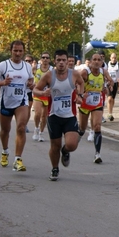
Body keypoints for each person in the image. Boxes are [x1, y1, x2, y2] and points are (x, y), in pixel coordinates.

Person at [33, 50, 84, 181]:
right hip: (54, 116)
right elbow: (35, 89)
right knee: (55, 146)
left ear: (67, 61)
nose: (61, 63)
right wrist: (43, 93)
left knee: (72, 144)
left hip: (69, 115)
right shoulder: (49, 76)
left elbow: (81, 83)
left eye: (63, 60)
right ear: (54, 61)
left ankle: (65, 151)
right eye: (58, 60)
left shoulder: (74, 74)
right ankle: (55, 168)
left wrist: (80, 95)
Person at [0, 40, 34, 171]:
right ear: (11, 51)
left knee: (21, 127)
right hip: (6, 102)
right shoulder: (3, 65)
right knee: (5, 130)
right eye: (15, 50)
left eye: (20, 51)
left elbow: (30, 79)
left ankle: (18, 159)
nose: (18, 53)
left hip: (21, 101)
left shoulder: (27, 66)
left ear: (23, 52)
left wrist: (31, 84)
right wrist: (3, 83)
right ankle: (5, 151)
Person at [78, 53, 113, 163]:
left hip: (97, 103)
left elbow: (111, 81)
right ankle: (72, 145)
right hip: (85, 103)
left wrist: (107, 86)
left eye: (99, 60)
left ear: (102, 62)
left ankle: (97, 154)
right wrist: (80, 94)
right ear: (91, 61)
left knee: (97, 126)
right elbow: (76, 83)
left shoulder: (103, 72)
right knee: (82, 129)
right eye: (95, 59)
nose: (97, 62)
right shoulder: (85, 72)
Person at [32, 51, 53, 142]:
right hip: (38, 93)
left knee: (44, 116)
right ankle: (36, 128)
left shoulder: (52, 69)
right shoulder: (35, 68)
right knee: (38, 113)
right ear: (40, 59)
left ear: (49, 60)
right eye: (43, 57)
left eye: (47, 58)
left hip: (47, 94)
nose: (45, 59)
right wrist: (31, 84)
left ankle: (41, 132)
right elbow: (29, 77)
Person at [106, 52, 119, 121]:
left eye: (115, 58)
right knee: (109, 98)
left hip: (115, 83)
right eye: (112, 58)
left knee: (112, 99)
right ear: (110, 58)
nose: (113, 59)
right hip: (108, 83)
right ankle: (109, 114)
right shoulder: (107, 65)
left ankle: (111, 111)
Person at [24, 54, 36, 133]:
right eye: (26, 60)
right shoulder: (21, 68)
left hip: (30, 92)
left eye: (29, 61)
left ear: (32, 62)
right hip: (22, 92)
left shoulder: (35, 70)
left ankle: (25, 124)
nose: (28, 62)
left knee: (28, 110)